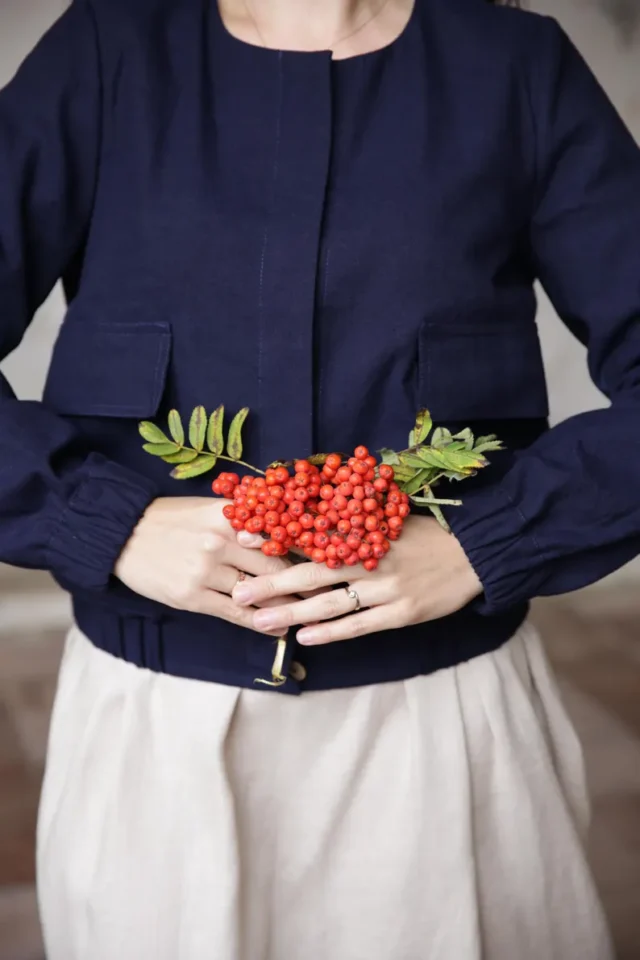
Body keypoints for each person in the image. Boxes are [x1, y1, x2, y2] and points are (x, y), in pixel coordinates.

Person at [1, 0, 635, 955]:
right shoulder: (106, 51)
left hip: (444, 717)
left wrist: (491, 538)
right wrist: (106, 522)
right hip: (158, 726)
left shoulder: (516, 65)